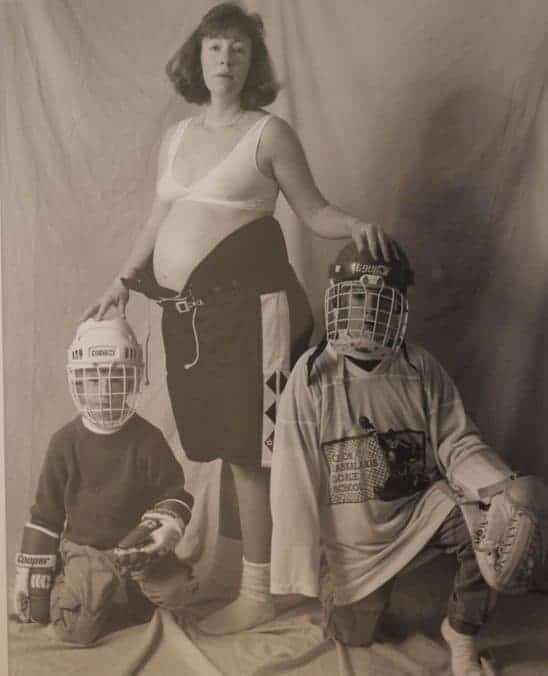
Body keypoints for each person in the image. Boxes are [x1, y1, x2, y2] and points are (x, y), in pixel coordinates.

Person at [81, 2, 397, 635]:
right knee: (225, 448)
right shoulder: (177, 137)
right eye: (215, 47)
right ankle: (252, 572)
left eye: (239, 49)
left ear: (254, 63)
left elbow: (314, 211)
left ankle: (260, 592)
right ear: (197, 57)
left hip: (258, 316)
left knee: (253, 454)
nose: (225, 59)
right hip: (197, 322)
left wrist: (357, 226)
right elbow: (156, 220)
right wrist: (121, 281)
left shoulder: (269, 133)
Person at [270, 239, 548, 676]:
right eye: (356, 296)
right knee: (355, 634)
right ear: (337, 296)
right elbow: (293, 479)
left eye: (377, 299)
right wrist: (299, 566)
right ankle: (343, 594)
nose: (364, 310)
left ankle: (462, 631)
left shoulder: (420, 367)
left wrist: (499, 487)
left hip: (422, 509)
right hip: (355, 534)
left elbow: (456, 441)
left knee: (487, 534)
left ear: (398, 306)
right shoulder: (311, 378)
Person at [13, 317, 196, 645]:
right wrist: (33, 574)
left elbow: (174, 491)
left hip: (135, 550)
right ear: (78, 383)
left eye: (115, 378)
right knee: (76, 631)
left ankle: (119, 590)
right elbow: (46, 515)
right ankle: (76, 582)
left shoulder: (147, 438)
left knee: (178, 594)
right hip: (87, 551)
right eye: (93, 379)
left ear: (132, 381)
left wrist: (164, 528)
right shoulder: (64, 442)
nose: (105, 391)